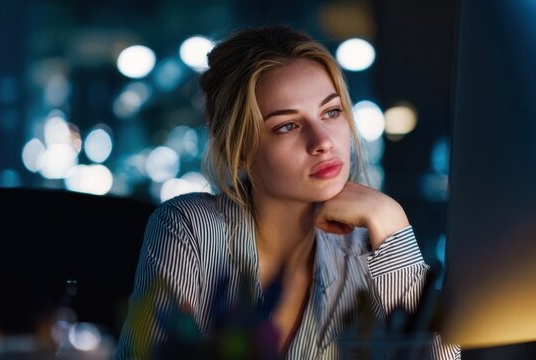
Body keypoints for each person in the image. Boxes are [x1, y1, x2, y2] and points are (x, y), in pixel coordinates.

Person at [114, 25, 461, 359]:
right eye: (287, 126)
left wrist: (392, 222)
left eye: (331, 112)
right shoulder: (192, 228)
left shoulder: (371, 249)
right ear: (242, 150)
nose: (323, 142)